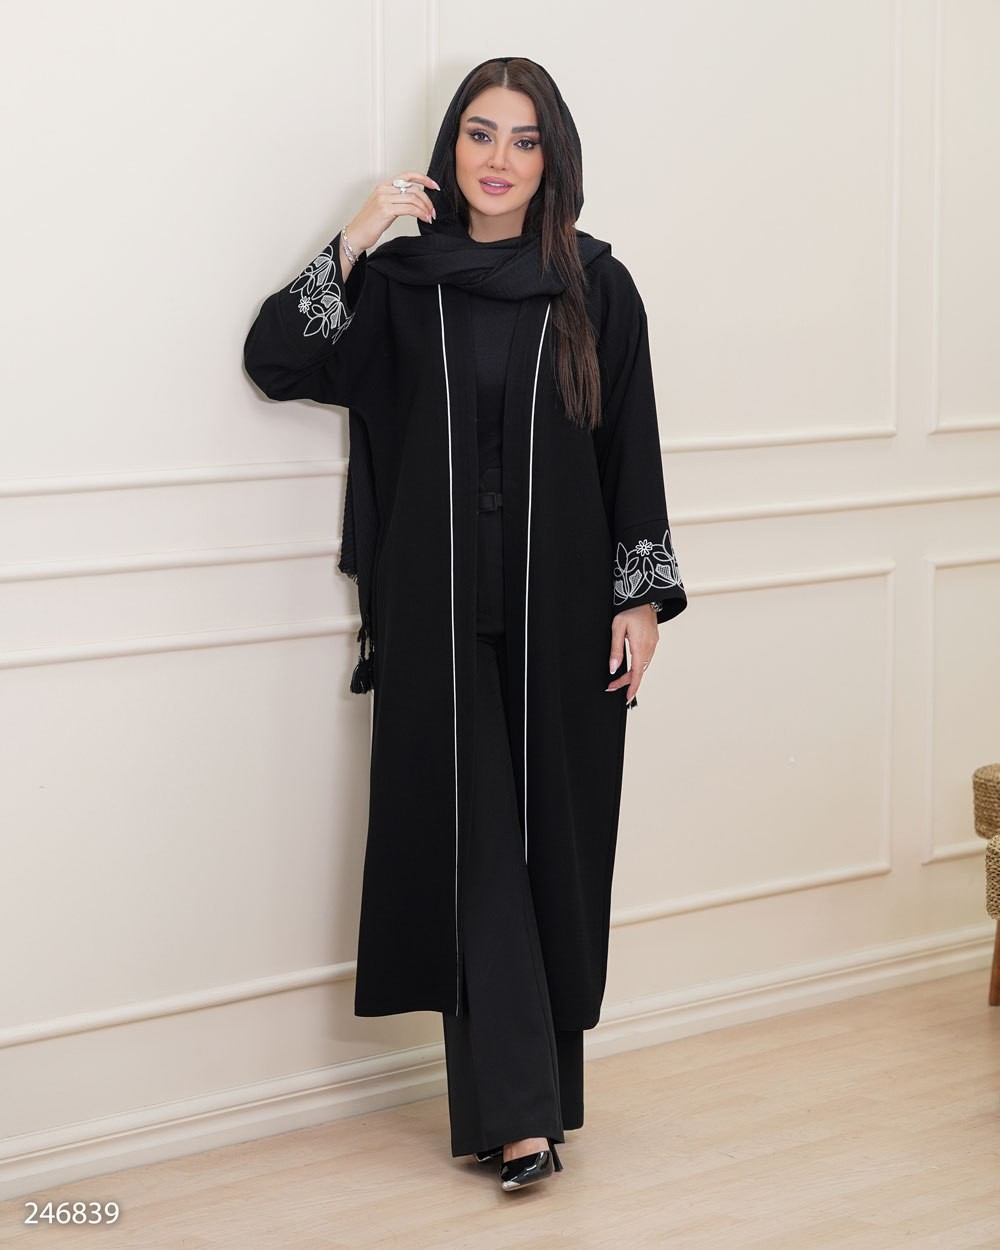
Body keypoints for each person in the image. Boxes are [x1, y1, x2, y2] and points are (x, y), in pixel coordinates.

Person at [243, 55, 688, 1193]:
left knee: (549, 857)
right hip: (435, 613)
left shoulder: (596, 286)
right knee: (475, 850)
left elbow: (628, 444)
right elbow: (277, 357)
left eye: (524, 140)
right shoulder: (403, 283)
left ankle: (528, 1109)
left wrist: (640, 595)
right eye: (481, 134)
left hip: (565, 616)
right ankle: (527, 1121)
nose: (499, 159)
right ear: (450, 149)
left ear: (552, 159)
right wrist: (358, 233)